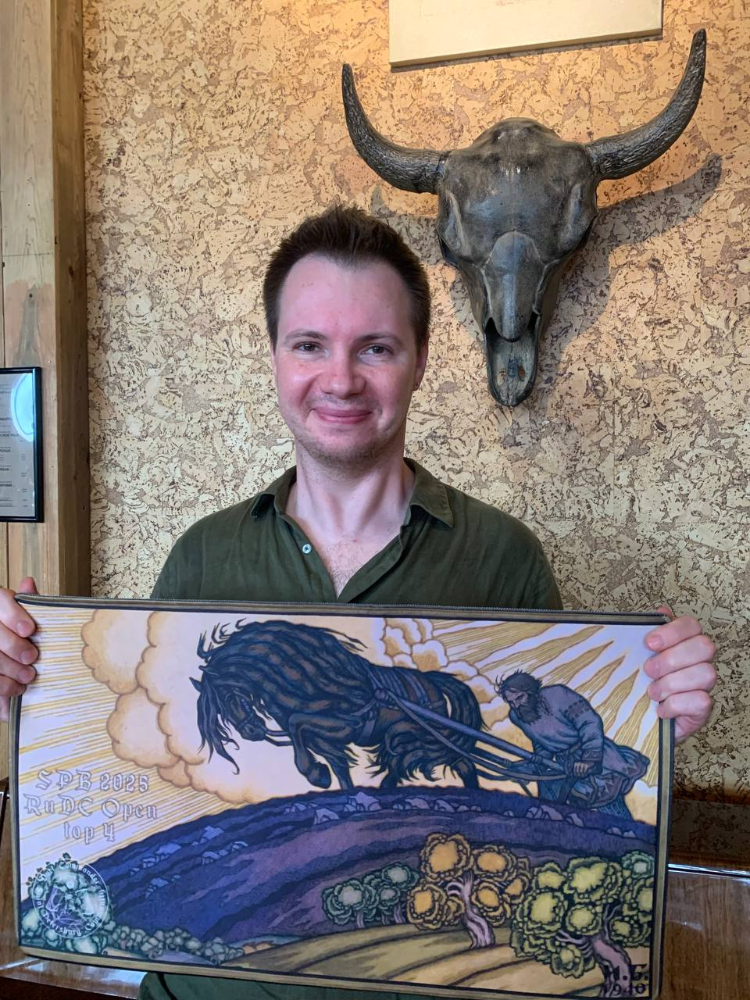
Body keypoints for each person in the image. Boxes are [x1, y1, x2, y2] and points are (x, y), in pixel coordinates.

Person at [0, 206, 716, 1000]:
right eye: (310, 345)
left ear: (419, 361)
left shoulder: (503, 556)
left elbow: (543, 755)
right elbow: (128, 775)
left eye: (374, 347)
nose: (339, 380)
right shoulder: (203, 553)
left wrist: (653, 710)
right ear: (275, 357)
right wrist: (29, 685)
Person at [498, 671, 649, 818]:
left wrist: (589, 759)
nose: (516, 705)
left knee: (608, 800)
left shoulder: (558, 694)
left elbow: (589, 722)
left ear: (533, 692)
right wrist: (532, 768)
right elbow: (543, 744)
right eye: (510, 702)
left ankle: (626, 832)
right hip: (566, 764)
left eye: (520, 698)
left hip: (593, 752)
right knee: (561, 806)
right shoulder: (516, 716)